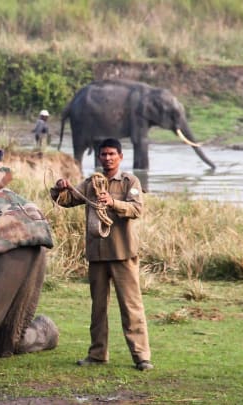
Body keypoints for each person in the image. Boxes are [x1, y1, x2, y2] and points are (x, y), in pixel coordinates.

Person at [50, 138, 153, 371]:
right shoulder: (91, 183)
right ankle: (97, 354)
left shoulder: (129, 181)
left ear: (120, 157)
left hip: (122, 254)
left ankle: (142, 357)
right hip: (97, 255)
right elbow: (65, 201)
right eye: (103, 154)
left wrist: (113, 202)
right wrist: (60, 188)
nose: (107, 158)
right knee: (98, 308)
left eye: (111, 154)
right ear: (98, 157)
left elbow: (137, 209)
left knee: (131, 307)